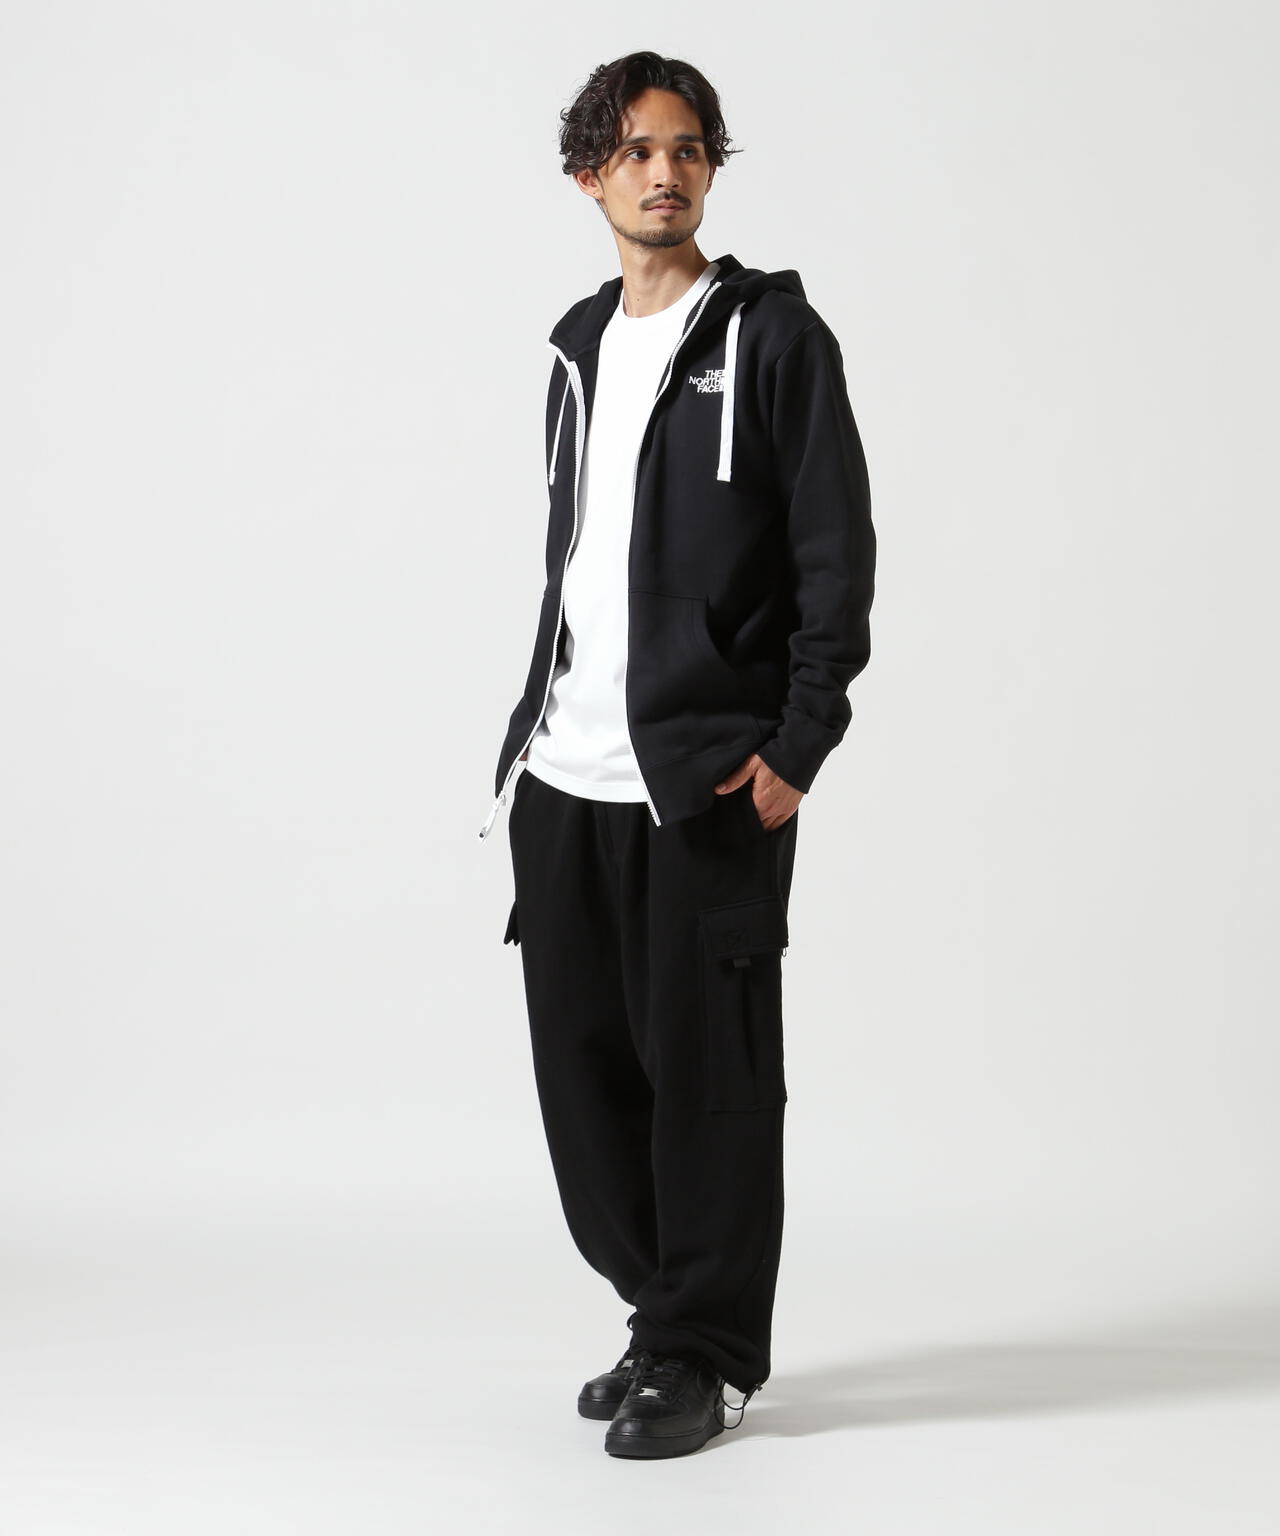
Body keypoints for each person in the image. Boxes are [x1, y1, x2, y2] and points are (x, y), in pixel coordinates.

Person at [477, 51, 876, 1458]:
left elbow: (835, 556)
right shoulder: (576, 347)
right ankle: (661, 1316)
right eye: (639, 150)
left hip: (705, 781)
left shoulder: (773, 340)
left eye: (690, 148)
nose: (667, 171)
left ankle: (704, 1352)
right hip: (565, 776)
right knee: (587, 1085)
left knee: (712, 1082)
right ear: (589, 174)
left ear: (711, 169)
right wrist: (534, 739)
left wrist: (797, 745)